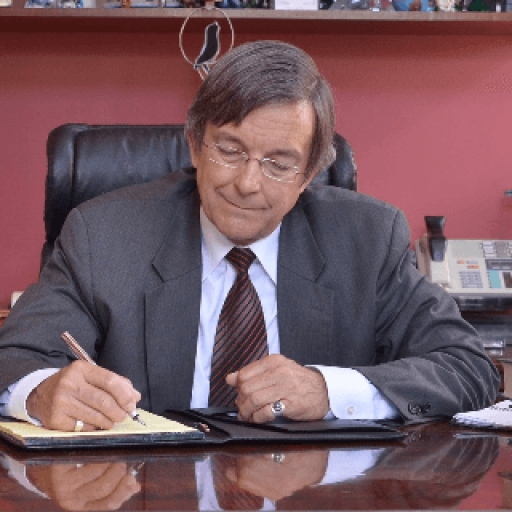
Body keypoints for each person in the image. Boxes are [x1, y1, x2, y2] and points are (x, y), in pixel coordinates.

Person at [0, 40, 500, 432]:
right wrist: (39, 392)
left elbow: (468, 369)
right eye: (230, 151)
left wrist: (329, 390)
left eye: (279, 164)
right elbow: (13, 359)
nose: (246, 184)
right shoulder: (104, 235)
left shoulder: (367, 239)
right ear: (195, 145)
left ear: (308, 177)